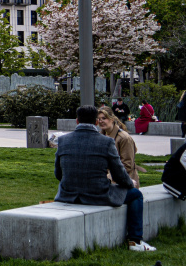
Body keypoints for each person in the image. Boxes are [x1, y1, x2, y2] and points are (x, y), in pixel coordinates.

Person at [54, 105, 155, 252]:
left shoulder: (63, 141)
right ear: (96, 122)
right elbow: (119, 174)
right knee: (136, 195)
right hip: (97, 195)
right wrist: (130, 183)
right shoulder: (106, 142)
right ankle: (135, 240)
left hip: (68, 195)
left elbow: (58, 174)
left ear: (77, 121)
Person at [96, 107, 139, 187]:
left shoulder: (124, 138)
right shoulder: (100, 136)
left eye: (104, 118)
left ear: (112, 119)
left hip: (123, 183)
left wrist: (108, 177)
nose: (101, 121)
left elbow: (127, 165)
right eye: (99, 119)